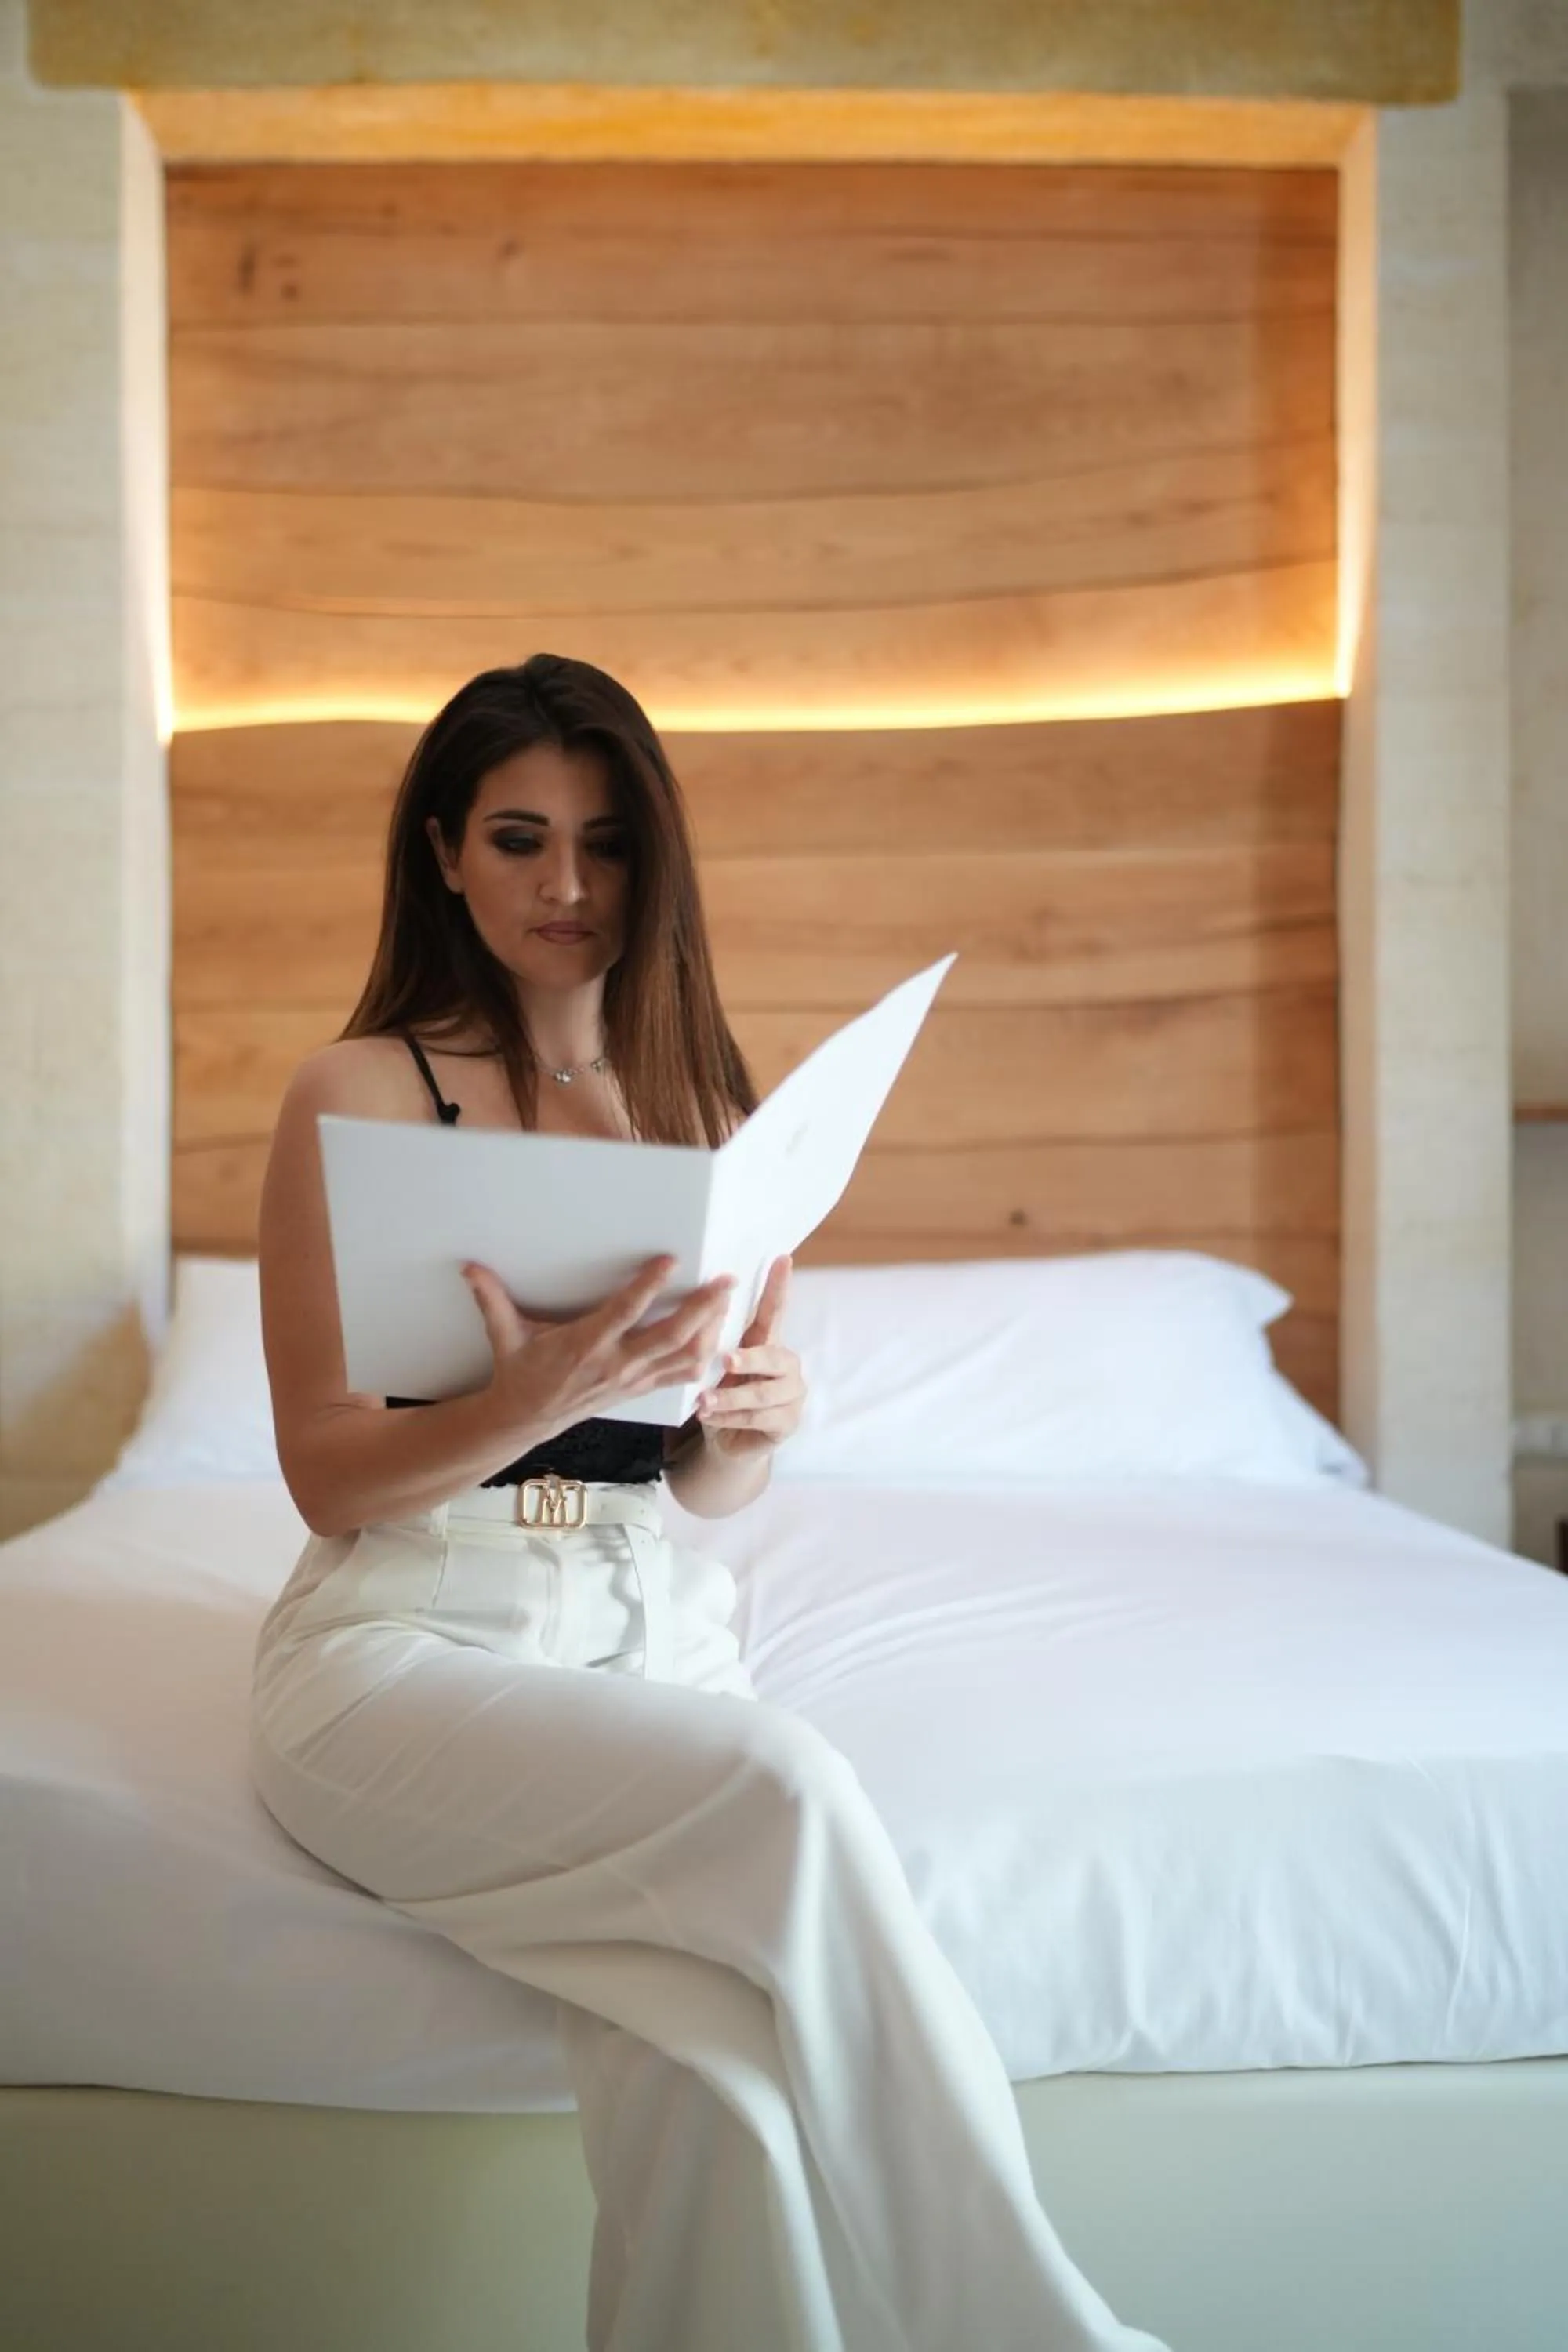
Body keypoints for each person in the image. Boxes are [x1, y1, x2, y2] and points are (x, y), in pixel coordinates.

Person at [248, 652, 1172, 2352]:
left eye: (604, 843)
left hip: (652, 1635)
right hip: (402, 1644)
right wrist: (522, 1394)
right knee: (791, 1786)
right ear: (445, 849)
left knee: (723, 2094)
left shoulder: (715, 1125)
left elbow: (696, 1477)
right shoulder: (359, 1091)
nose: (566, 887)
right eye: (519, 839)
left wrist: (755, 1424)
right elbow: (323, 1466)